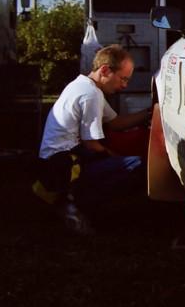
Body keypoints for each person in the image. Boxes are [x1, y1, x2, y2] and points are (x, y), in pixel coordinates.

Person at [36, 44, 150, 234]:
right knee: (136, 165)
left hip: (57, 162)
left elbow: (116, 123)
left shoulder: (84, 85)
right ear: (105, 70)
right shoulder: (90, 95)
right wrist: (114, 155)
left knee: (122, 159)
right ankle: (76, 204)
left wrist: (149, 113)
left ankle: (75, 200)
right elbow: (92, 144)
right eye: (123, 79)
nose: (125, 85)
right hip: (63, 167)